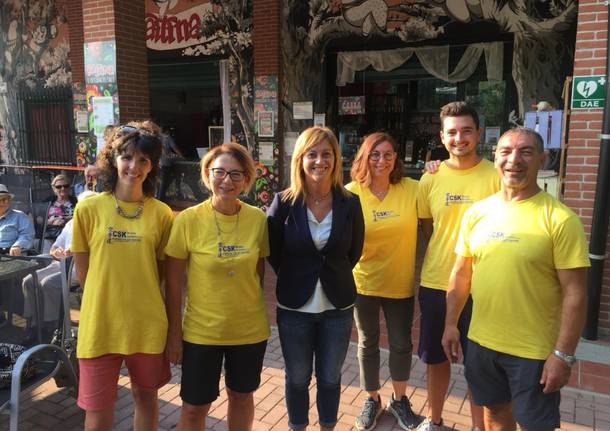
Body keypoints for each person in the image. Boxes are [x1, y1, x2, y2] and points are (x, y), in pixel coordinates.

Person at [442, 127, 589, 431]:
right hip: (482, 343)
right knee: (495, 414)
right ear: (495, 157)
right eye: (506, 151)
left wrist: (563, 355)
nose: (514, 160)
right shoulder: (477, 213)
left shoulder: (561, 219)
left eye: (525, 152)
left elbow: (576, 294)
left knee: (535, 425)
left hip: (533, 352)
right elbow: (461, 273)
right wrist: (450, 324)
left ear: (541, 160)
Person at [71, 121, 174, 431]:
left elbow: (161, 275)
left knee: (146, 399)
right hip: (100, 325)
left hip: (147, 324)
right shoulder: (89, 210)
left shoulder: (161, 214)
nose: (134, 166)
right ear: (112, 159)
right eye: (127, 157)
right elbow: (85, 273)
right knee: (98, 411)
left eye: (144, 160)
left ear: (153, 165)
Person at [165, 142, 269, 431]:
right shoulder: (187, 220)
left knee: (241, 396)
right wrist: (174, 333)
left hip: (249, 331)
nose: (227, 180)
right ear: (207, 174)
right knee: (194, 407)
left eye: (237, 174)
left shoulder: (258, 220)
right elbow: (173, 284)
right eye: (219, 172)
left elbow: (258, 273)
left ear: (247, 180)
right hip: (202, 332)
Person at [267, 126, 364, 431]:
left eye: (327, 154)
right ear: (301, 159)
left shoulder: (350, 203)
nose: (319, 161)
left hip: (337, 306)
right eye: (312, 154)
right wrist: (299, 275)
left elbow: (354, 252)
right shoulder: (283, 202)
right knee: (297, 377)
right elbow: (274, 252)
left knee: (330, 378)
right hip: (295, 308)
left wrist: (328, 273)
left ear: (336, 160)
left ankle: (327, 427)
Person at [416, 101, 499, 431]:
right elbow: (428, 228)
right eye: (452, 132)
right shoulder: (429, 179)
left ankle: (480, 427)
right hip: (437, 282)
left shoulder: (496, 176)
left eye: (466, 131)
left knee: (479, 364)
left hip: (483, 286)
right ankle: (435, 420)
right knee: (436, 359)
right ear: (442, 136)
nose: (459, 138)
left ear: (478, 133)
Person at [346, 132, 420, 431]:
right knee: (368, 343)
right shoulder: (351, 193)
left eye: (388, 154)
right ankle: (372, 398)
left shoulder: (413, 189)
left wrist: (435, 168)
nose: (381, 160)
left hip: (400, 283)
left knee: (402, 344)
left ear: (396, 157)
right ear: (364, 157)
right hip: (363, 283)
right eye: (374, 154)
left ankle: (399, 400)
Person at [21, 190, 96, 343]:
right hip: (59, 262)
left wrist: (74, 252)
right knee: (28, 280)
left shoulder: (96, 225)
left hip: (79, 267)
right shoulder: (71, 223)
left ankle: (54, 327)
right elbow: (54, 247)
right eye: (81, 205)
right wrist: (57, 251)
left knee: (48, 284)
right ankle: (35, 324)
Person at [0, 183, 35, 328]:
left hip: (12, 256)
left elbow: (28, 235)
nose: (3, 203)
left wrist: (17, 245)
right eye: (0, 200)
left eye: (5, 199)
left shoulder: (18, 216)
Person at [44, 174, 78, 244]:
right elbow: (37, 218)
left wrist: (68, 220)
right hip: (50, 234)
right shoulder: (48, 202)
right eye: (59, 187)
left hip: (71, 234)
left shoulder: (77, 201)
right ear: (54, 189)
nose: (63, 188)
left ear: (69, 188)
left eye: (66, 186)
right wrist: (51, 222)